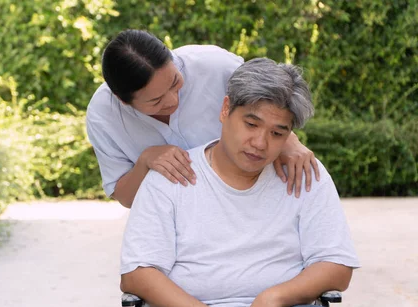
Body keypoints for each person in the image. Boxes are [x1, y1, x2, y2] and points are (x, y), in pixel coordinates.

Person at [119, 57, 361, 307]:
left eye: (278, 133)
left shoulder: (304, 174)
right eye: (252, 124)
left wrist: (271, 299)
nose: (261, 143)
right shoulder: (172, 176)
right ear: (225, 109)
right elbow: (137, 274)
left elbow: (337, 267)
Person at [86, 29, 320, 208]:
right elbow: (126, 198)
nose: (173, 101)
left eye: (175, 83)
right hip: (176, 221)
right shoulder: (103, 116)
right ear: (123, 100)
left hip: (252, 200)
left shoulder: (214, 65)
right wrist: (146, 161)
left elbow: (272, 102)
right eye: (156, 101)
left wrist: (289, 141)